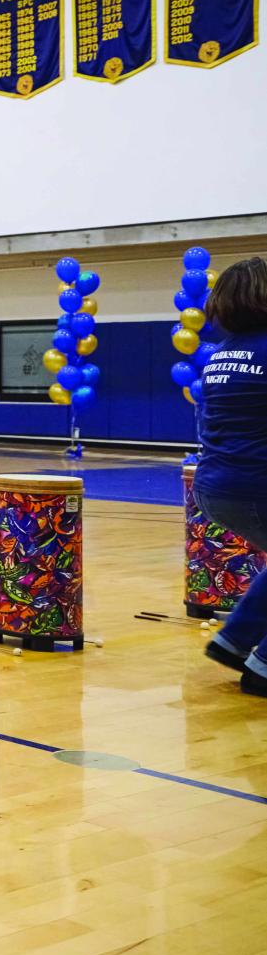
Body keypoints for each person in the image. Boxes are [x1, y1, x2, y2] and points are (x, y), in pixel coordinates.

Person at [194, 258, 267, 697]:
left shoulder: (223, 355)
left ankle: (234, 640)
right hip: (254, 486)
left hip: (214, 485)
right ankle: (261, 666)